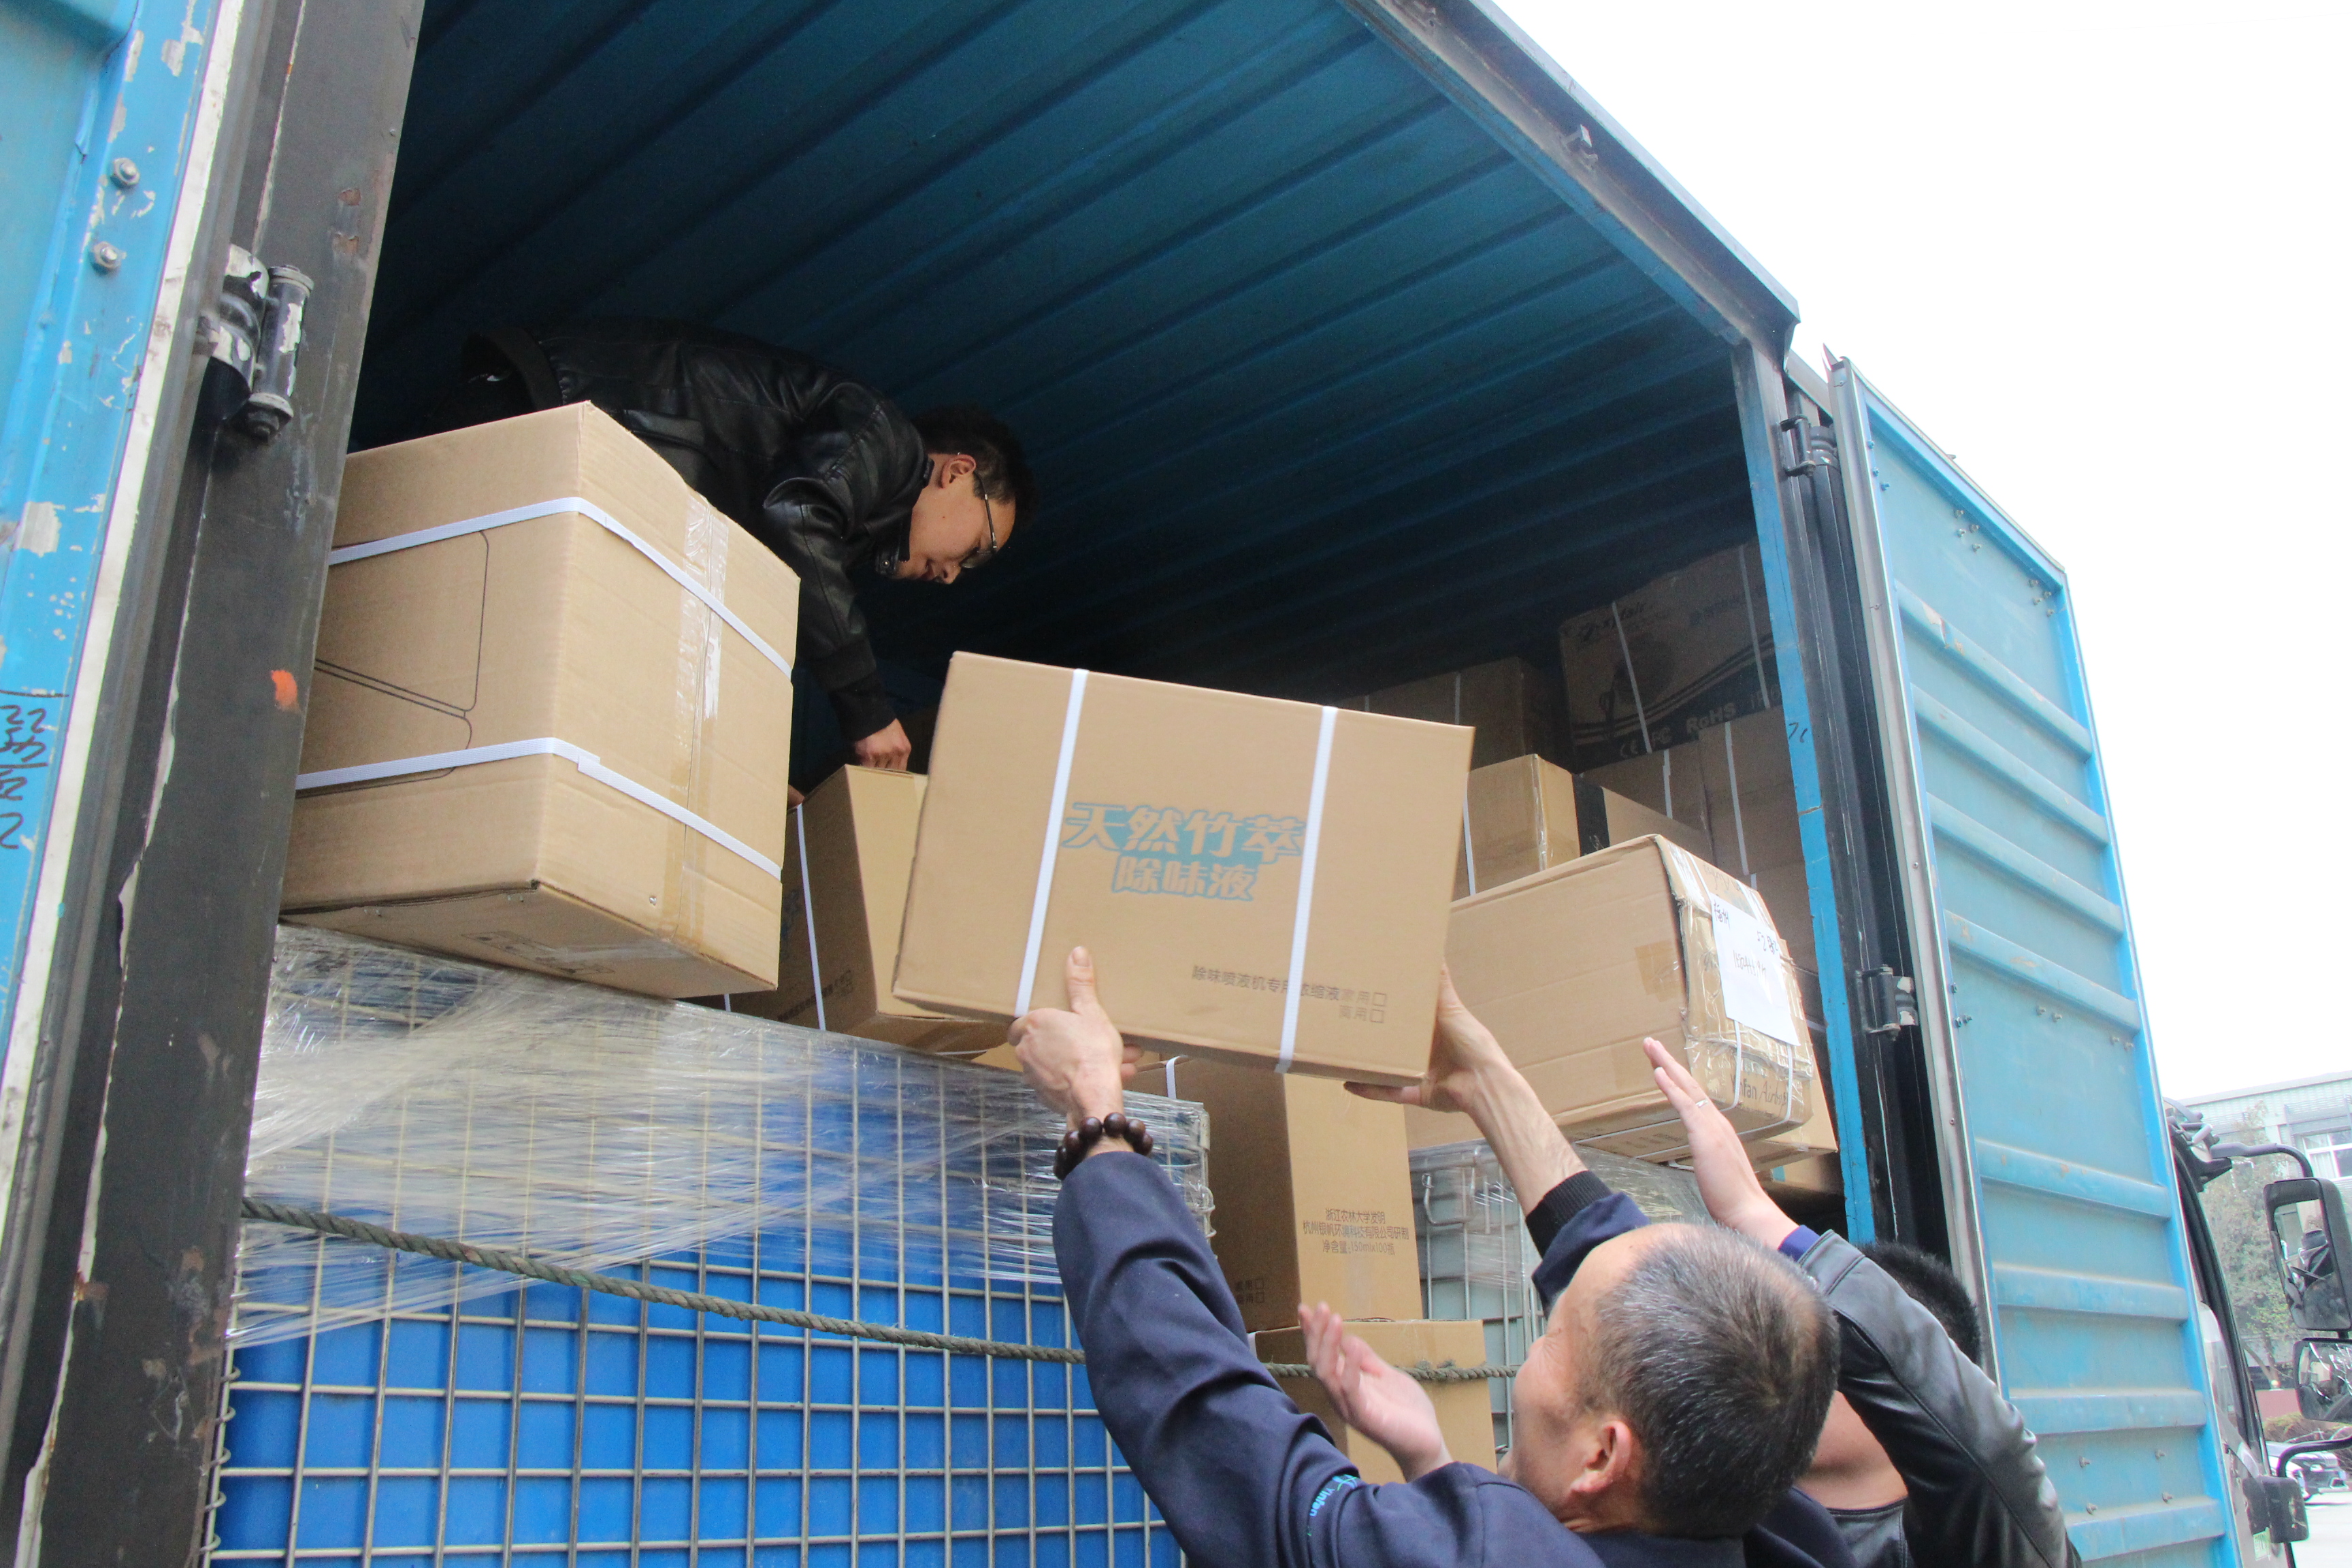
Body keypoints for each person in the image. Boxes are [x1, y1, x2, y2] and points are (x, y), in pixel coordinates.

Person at [1012, 950, 1855, 1568]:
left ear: (1602, 1457)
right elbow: (1630, 1278)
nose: (1530, 1357)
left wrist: (1099, 1123)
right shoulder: (1763, 1518)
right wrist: (1485, 1082)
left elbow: (1208, 1415)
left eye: (1548, 1339)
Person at [428, 318, 1034, 770]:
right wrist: (869, 710)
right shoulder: (882, 437)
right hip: (542, 415)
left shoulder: (835, 543)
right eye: (978, 549)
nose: (954, 575)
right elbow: (795, 514)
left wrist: (742, 783)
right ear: (959, 472)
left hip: (556, 465)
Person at [1622, 1036, 2075, 1568]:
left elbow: (1992, 1452)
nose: (1783, 1375)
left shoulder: (1977, 1547)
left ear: (1907, 1397)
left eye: (1825, 1359)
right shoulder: (1716, 1511)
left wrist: (1755, 1214)